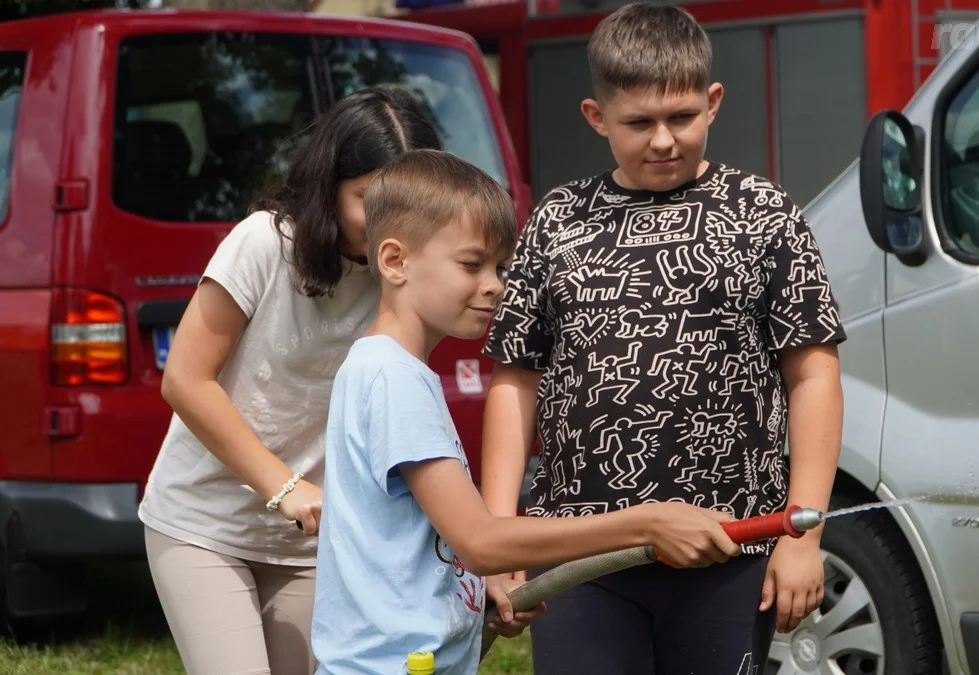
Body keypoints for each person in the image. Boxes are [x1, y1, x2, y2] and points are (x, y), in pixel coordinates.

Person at [479, 3, 848, 674]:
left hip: (730, 553)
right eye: (638, 123)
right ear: (596, 116)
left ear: (712, 102)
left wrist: (804, 530)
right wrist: (498, 536)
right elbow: (515, 378)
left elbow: (813, 373)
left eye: (680, 117)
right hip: (581, 558)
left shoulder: (762, 214)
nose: (662, 141)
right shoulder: (559, 221)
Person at [310, 149, 741, 675]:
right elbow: (479, 541)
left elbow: (425, 551)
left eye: (501, 267)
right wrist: (650, 523)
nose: (495, 284)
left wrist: (481, 607)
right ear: (395, 261)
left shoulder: (391, 370)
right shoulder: (391, 378)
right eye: (471, 264)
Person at [137, 86, 442, 675]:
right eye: (368, 199)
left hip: (314, 542)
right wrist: (286, 489)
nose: (389, 224)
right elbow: (185, 380)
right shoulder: (262, 242)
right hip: (202, 523)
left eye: (406, 203)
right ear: (328, 186)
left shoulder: (408, 274)